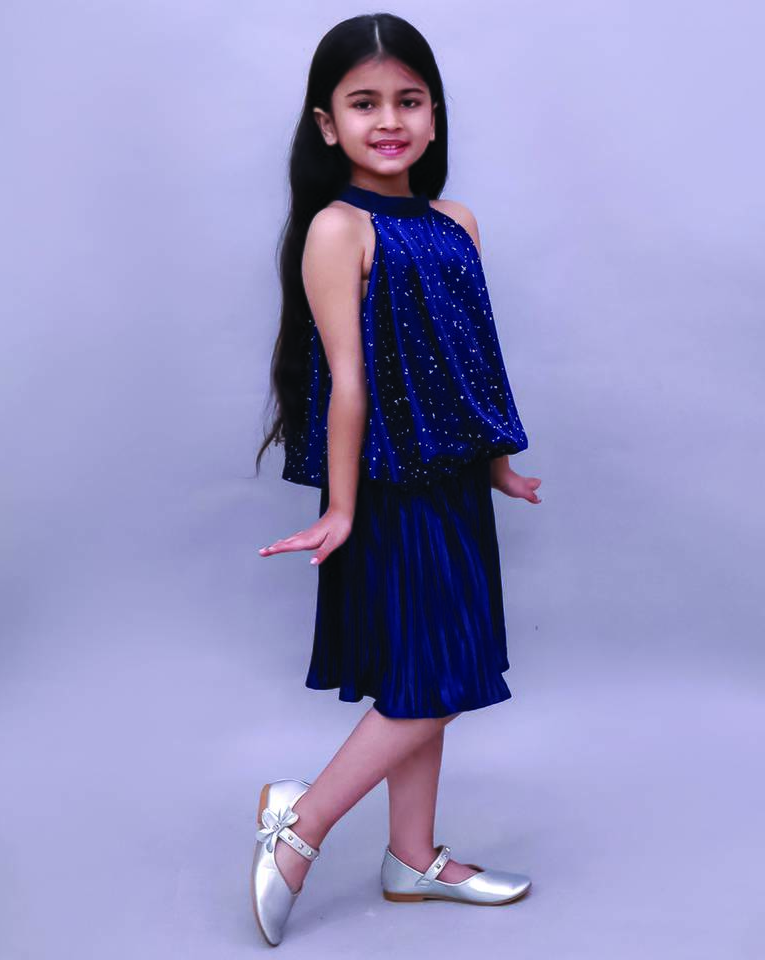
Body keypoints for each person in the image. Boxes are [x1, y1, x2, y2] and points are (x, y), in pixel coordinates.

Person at [251, 12, 542, 946]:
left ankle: (412, 857)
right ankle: (302, 824)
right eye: (364, 103)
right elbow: (348, 380)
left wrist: (498, 463)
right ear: (327, 124)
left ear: (434, 114)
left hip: (453, 482)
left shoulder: (458, 223)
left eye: (409, 101)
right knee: (435, 677)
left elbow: (472, 358)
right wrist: (341, 507)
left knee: (432, 674)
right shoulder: (338, 229)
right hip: (387, 487)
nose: (389, 121)